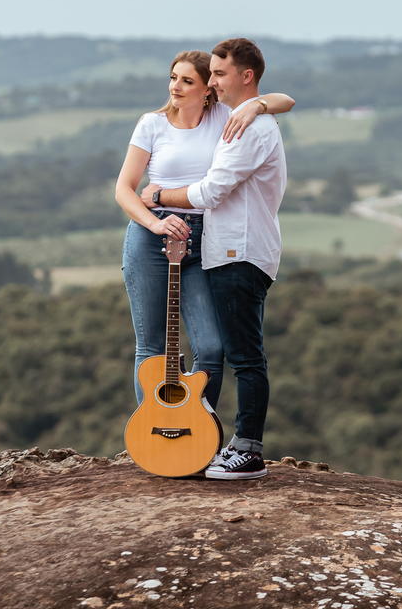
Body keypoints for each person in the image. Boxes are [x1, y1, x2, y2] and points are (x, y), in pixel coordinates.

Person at [115, 50, 295, 418]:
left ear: (208, 88)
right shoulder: (152, 124)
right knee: (152, 349)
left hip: (202, 239)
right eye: (172, 77)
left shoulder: (226, 117)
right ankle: (158, 433)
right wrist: (155, 223)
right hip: (152, 236)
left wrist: (256, 105)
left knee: (212, 348)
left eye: (187, 80)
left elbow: (287, 101)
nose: (174, 87)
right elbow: (124, 189)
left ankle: (197, 430)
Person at [140, 38, 287, 480]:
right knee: (242, 352)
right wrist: (259, 104)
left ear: (246, 77)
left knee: (245, 356)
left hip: (238, 253)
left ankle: (247, 450)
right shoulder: (244, 118)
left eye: (220, 74)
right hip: (229, 251)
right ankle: (231, 444)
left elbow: (209, 192)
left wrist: (158, 195)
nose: (214, 81)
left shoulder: (249, 128)